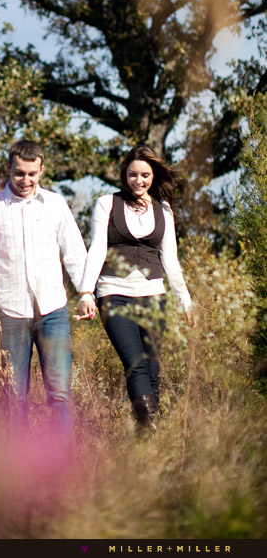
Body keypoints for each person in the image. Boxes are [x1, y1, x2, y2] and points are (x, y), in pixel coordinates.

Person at [0, 139, 87, 440]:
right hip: (12, 312)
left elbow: (73, 251)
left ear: (42, 170)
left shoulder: (56, 204)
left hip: (52, 310)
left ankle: (63, 464)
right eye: (20, 173)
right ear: (9, 169)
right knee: (12, 394)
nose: (26, 180)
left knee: (60, 392)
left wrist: (86, 292)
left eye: (32, 174)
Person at [75, 144, 193, 432]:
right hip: (114, 295)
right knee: (136, 363)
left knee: (152, 369)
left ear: (153, 176)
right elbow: (98, 249)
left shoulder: (163, 209)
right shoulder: (106, 204)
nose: (138, 181)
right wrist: (86, 292)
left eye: (144, 175)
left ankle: (147, 439)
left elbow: (170, 259)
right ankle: (155, 427)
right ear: (124, 175)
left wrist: (186, 302)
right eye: (132, 175)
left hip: (154, 296)